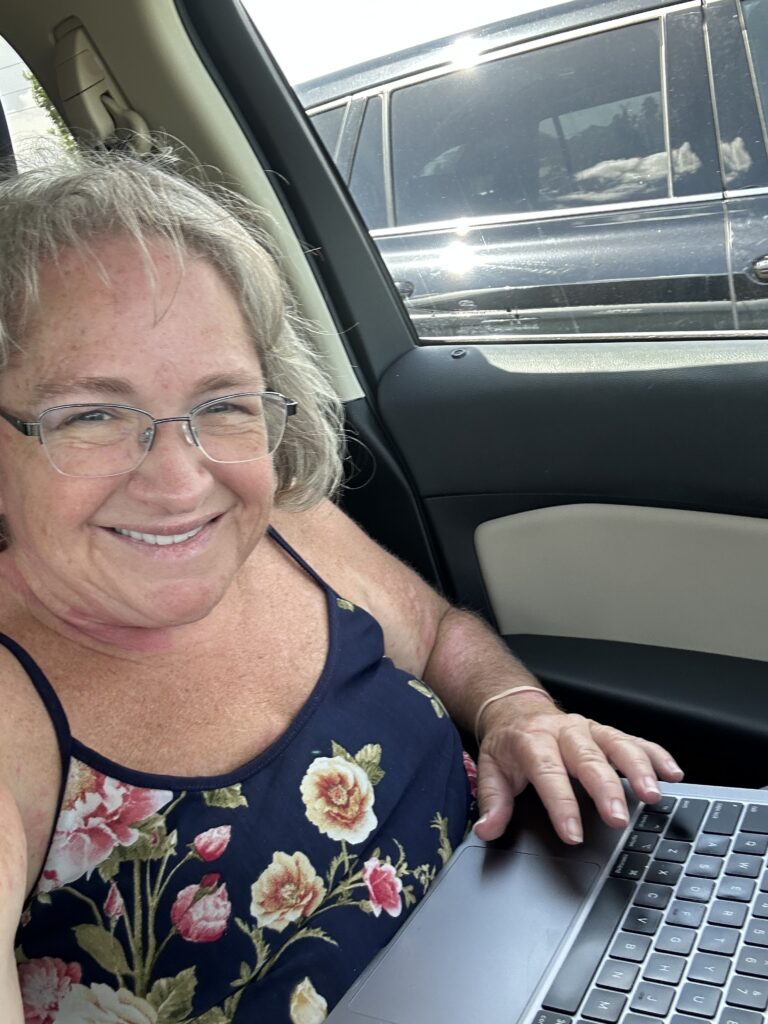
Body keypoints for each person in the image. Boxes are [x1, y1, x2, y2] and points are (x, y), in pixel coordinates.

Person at [0, 152, 681, 1024]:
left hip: (573, 950)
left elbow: (437, 635)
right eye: (91, 414)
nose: (180, 482)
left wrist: (517, 711)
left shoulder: (281, 523)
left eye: (222, 403)